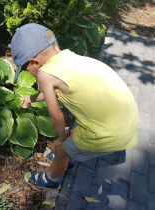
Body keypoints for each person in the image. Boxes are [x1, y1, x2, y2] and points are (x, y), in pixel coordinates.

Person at [10, 23, 140, 190]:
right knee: (72, 135)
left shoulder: (45, 74)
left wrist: (60, 140)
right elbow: (54, 90)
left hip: (109, 134)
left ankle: (51, 180)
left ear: (35, 62)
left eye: (27, 70)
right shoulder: (68, 59)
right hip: (126, 121)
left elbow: (56, 116)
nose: (30, 74)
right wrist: (30, 98)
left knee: (60, 150)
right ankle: (68, 156)